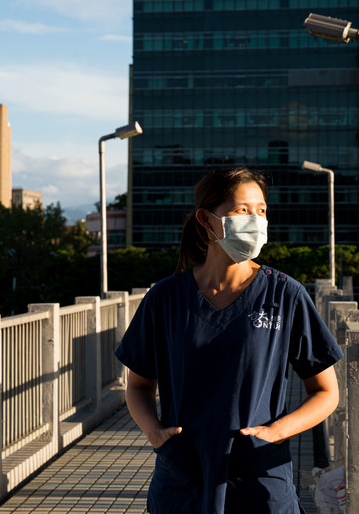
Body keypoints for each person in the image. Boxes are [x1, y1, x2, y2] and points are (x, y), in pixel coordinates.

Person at [115, 166, 343, 513]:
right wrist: (155, 434)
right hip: (182, 480)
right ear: (206, 220)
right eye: (242, 210)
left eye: (261, 210)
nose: (255, 220)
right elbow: (138, 386)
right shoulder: (165, 299)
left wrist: (276, 432)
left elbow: (326, 392)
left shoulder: (285, 295)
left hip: (259, 481)